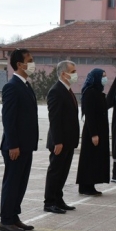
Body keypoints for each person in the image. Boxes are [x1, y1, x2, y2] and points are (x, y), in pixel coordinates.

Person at [0, 49, 38, 231]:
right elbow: (8, 118)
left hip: (26, 145)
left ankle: (14, 216)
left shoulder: (26, 85)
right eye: (29, 61)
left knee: (21, 183)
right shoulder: (12, 86)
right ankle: (6, 220)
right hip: (15, 146)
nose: (32, 63)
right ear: (20, 64)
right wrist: (13, 144)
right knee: (12, 183)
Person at [44, 60, 80, 214]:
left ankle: (58, 199)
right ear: (63, 74)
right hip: (60, 141)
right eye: (72, 71)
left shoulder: (68, 90)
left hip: (68, 140)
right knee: (55, 171)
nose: (75, 74)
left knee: (63, 171)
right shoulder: (56, 91)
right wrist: (57, 141)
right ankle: (49, 202)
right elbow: (55, 118)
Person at [76, 68, 110, 195]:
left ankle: (91, 184)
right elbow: (89, 115)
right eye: (103, 76)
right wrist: (94, 134)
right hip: (93, 132)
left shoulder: (98, 92)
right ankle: (85, 186)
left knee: (96, 159)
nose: (105, 79)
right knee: (89, 159)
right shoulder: (90, 93)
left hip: (100, 130)